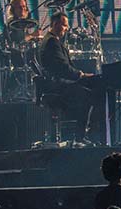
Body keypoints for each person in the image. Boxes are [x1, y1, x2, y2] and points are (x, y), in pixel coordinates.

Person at [38, 11, 98, 143]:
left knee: (87, 89)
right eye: (64, 25)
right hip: (58, 86)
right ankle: (81, 136)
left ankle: (80, 135)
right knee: (88, 95)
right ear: (55, 24)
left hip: (57, 84)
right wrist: (81, 75)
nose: (66, 29)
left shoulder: (50, 40)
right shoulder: (52, 42)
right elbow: (63, 68)